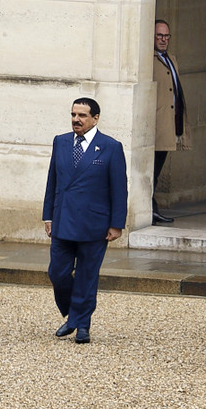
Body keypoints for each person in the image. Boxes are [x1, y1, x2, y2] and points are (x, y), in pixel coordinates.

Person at [42, 97, 128, 344]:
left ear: (95, 118)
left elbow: (119, 188)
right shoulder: (61, 142)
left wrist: (116, 224)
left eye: (82, 115)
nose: (76, 120)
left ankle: (82, 326)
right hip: (63, 220)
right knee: (57, 272)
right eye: (73, 115)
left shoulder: (110, 146)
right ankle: (73, 316)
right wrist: (48, 215)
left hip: (95, 224)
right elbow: (53, 181)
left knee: (86, 276)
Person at [152, 19, 191, 224]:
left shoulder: (170, 59)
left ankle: (153, 209)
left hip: (170, 124)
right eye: (159, 35)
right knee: (152, 171)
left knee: (157, 170)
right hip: (156, 126)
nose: (163, 40)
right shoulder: (149, 60)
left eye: (166, 36)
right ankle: (151, 209)